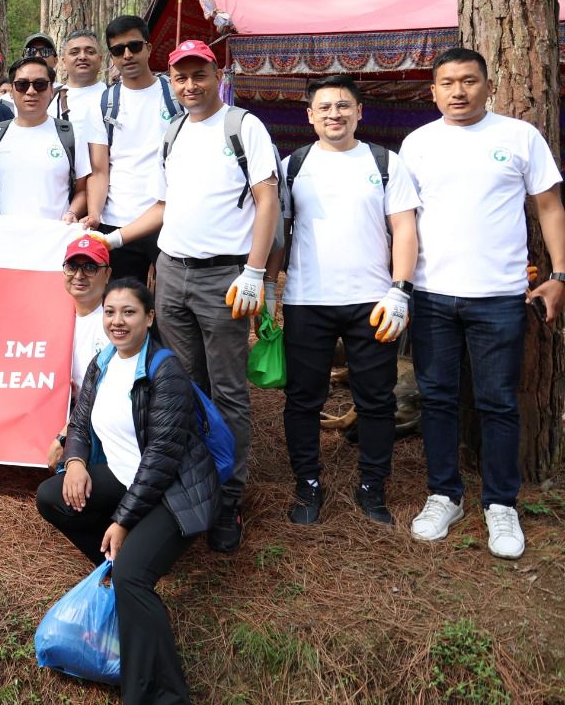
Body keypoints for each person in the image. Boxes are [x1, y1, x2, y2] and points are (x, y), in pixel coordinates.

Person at [98, 39, 279, 553]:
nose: (189, 86)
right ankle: (187, 487)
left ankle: (228, 498)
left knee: (226, 390)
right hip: (172, 274)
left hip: (225, 278)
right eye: (180, 77)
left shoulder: (243, 127)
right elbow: (163, 203)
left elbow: (268, 200)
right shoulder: (173, 131)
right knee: (182, 389)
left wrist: (255, 272)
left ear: (215, 74)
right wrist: (115, 238)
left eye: (198, 75)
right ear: (171, 82)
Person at [399, 47, 565, 559]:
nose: (458, 91)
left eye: (469, 81)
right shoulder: (417, 143)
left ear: (488, 85)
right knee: (439, 398)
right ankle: (443, 494)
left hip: (499, 297)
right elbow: (402, 221)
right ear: (433, 92)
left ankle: (500, 503)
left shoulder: (519, 137)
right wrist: (398, 287)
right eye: (447, 83)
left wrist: (560, 275)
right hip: (431, 295)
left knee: (498, 402)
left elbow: (549, 205)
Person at [35, 278, 219, 705]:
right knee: (52, 496)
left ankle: (163, 696)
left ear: (150, 318)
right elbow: (79, 423)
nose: (118, 321)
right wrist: (76, 462)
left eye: (129, 312)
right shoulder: (103, 361)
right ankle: (132, 559)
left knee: (132, 578)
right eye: (111, 312)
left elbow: (161, 462)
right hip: (124, 478)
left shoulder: (165, 370)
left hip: (173, 495)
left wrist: (122, 523)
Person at [274, 75, 419, 528]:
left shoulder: (384, 163)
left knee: (376, 400)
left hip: (372, 300)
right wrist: (265, 288)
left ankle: (373, 487)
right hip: (306, 299)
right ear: (310, 116)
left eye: (343, 106)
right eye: (324, 107)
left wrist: (401, 289)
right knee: (302, 398)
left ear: (359, 112)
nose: (334, 114)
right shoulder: (292, 165)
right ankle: (308, 484)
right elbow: (278, 231)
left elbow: (406, 229)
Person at [83, 15, 180, 283]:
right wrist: (95, 214)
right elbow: (100, 170)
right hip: (117, 221)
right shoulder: (102, 104)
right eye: (118, 50)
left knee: (169, 312)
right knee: (121, 309)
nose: (127, 55)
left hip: (170, 219)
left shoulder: (176, 96)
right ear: (111, 56)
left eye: (134, 46)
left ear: (148, 48)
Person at [0, 56, 89, 223]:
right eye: (22, 85)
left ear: (52, 90)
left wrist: (73, 213)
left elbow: (83, 190)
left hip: (56, 240)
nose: (31, 91)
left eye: (40, 84)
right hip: (7, 239)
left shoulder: (71, 135)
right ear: (12, 91)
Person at [45, 236, 114, 468]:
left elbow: (102, 396)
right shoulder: (53, 315)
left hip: (91, 419)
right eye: (72, 266)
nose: (79, 275)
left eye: (90, 267)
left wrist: (64, 436)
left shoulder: (111, 325)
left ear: (107, 274)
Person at [55, 30, 104, 122]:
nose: (82, 57)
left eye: (90, 52)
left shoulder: (115, 96)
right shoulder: (50, 100)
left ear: (100, 60)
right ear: (63, 62)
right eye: (74, 53)